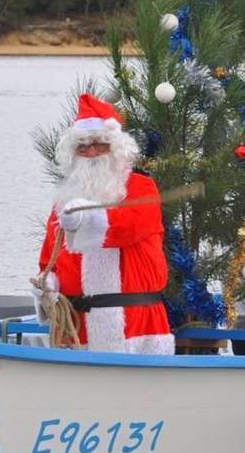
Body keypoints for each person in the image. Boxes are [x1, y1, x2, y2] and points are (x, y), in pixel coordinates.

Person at [32, 94, 174, 354]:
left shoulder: (140, 188)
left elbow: (128, 228)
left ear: (117, 149)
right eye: (82, 147)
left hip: (134, 326)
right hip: (75, 329)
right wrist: (48, 285)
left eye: (100, 145)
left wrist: (86, 219)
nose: (91, 153)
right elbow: (48, 259)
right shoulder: (63, 200)